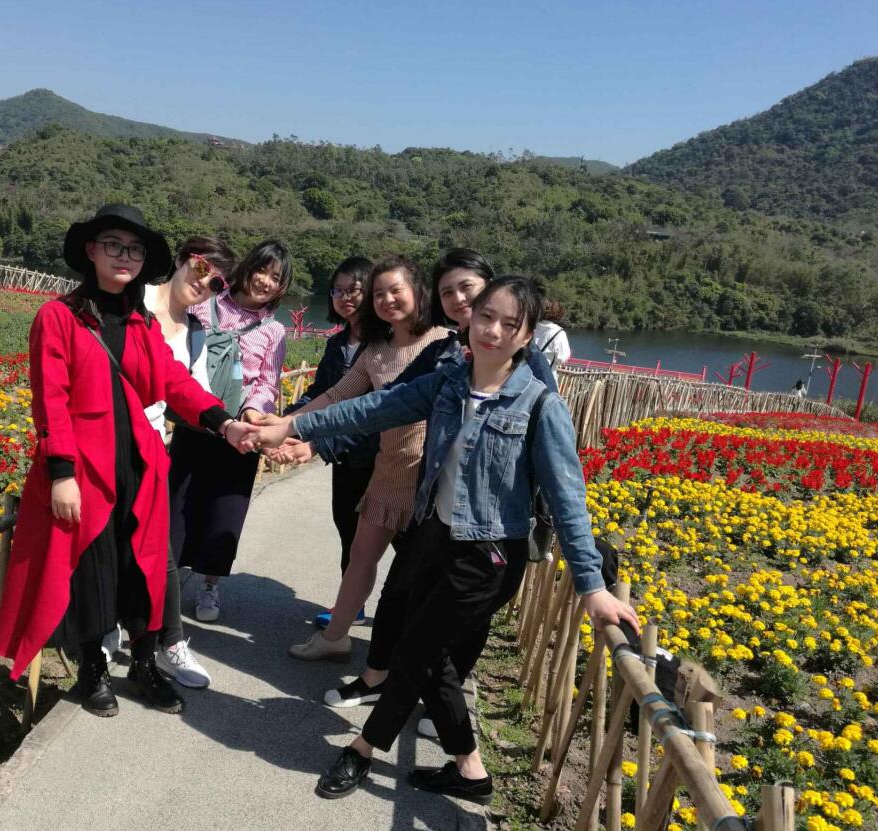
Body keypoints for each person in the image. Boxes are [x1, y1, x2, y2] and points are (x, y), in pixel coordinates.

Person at [252, 275, 639, 802]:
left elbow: (567, 498)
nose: (493, 331)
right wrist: (294, 426)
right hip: (434, 534)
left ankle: (362, 750)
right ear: (470, 318)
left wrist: (591, 584)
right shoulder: (448, 383)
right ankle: (471, 771)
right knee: (432, 658)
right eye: (486, 316)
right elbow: (373, 408)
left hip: (489, 553)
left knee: (416, 651)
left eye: (510, 324)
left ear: (527, 336)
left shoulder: (539, 405)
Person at [0, 204, 256, 718]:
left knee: (144, 568)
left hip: (141, 464)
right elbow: (50, 400)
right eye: (113, 245)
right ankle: (92, 668)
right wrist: (62, 473)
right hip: (86, 469)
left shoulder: (141, 323)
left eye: (134, 249)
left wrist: (224, 423)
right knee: (94, 568)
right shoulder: (58, 317)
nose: (124, 256)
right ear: (91, 250)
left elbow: (174, 382)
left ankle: (144, 665)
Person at [283, 256, 449, 661]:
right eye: (378, 294)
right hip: (388, 473)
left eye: (395, 290)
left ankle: (412, 659)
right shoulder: (375, 350)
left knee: (418, 574)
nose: (386, 300)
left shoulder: (445, 343)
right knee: (360, 557)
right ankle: (335, 637)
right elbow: (337, 395)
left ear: (417, 291)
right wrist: (285, 424)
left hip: (428, 481)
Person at [170, 240, 291, 622]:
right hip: (195, 422)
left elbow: (267, 382)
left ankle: (210, 585)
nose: (265, 282)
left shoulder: (274, 331)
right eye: (262, 270)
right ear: (247, 267)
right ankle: (166, 585)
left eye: (276, 278)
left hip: (241, 431)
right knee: (178, 509)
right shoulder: (206, 303)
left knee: (225, 512)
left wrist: (253, 412)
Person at [142, 236, 236, 688]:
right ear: (181, 259)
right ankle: (103, 638)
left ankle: (169, 642)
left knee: (157, 550)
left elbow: (194, 395)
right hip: (102, 441)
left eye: (217, 283)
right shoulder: (134, 299)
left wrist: (234, 427)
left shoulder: (195, 333)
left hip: (150, 449)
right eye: (201, 268)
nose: (204, 283)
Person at [284, 257, 375, 626]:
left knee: (389, 539)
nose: (344, 297)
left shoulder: (385, 344)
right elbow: (321, 393)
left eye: (353, 289)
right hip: (346, 458)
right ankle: (351, 606)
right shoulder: (338, 343)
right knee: (348, 528)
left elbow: (373, 412)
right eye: (337, 290)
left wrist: (315, 444)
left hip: (381, 456)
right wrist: (285, 421)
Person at [532, 298, 571, 367]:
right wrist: (569, 354)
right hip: (546, 372)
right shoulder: (559, 333)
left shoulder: (532, 327)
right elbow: (562, 359)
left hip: (528, 371)